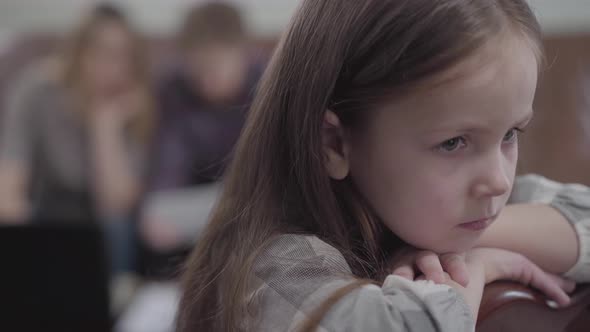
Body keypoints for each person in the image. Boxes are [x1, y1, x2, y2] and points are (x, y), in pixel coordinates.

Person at [176, 1, 590, 331]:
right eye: (453, 143)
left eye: (511, 134)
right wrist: (474, 270)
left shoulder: (450, 208)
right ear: (334, 144)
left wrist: (463, 246)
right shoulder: (273, 267)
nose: (499, 182)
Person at [0, 3, 154, 275]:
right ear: (78, 53)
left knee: (116, 225)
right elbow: (10, 180)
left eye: (124, 56)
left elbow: (115, 203)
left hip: (106, 228)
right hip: (49, 215)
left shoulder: (136, 103)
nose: (114, 68)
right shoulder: (38, 91)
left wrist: (104, 126)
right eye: (103, 53)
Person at [141, 2, 264, 252]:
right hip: (199, 207)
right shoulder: (174, 90)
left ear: (243, 53)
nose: (205, 82)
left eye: (214, 69)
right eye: (197, 72)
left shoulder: (269, 88)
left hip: (253, 208)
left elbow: (268, 186)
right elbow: (167, 174)